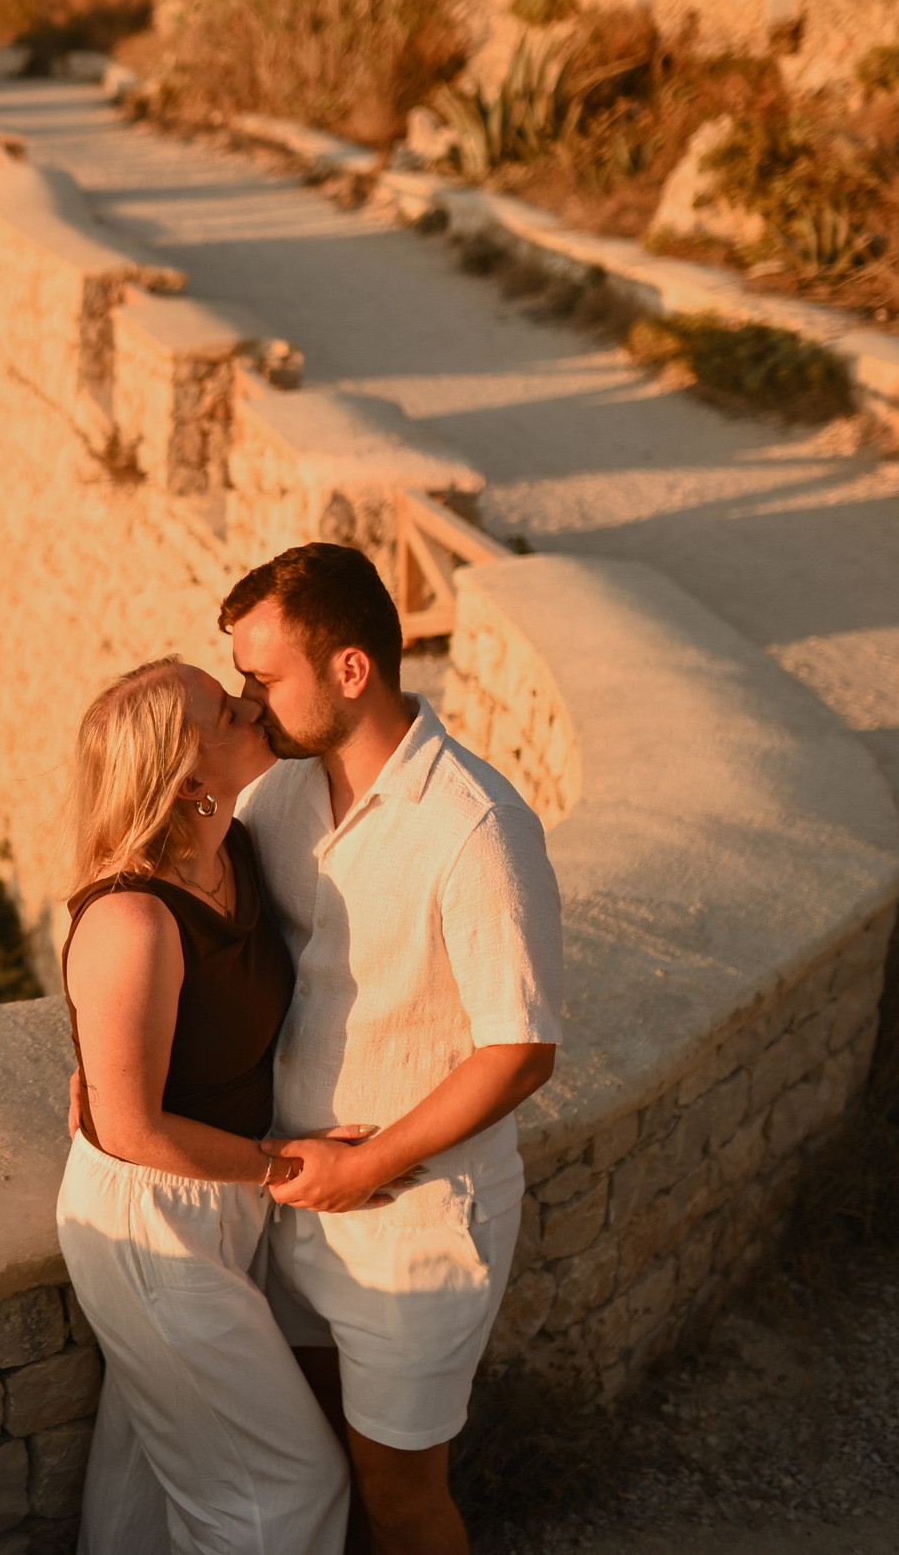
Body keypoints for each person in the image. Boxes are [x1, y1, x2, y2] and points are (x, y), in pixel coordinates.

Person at [223, 543, 564, 1555]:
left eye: (263, 678)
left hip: (412, 1220)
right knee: (320, 1460)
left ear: (351, 669)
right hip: (288, 1202)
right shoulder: (277, 794)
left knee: (401, 1496)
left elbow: (520, 1048)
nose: (247, 704)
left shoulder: (476, 826)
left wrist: (362, 1165)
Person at [54, 656, 381, 1555]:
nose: (252, 707)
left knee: (153, 1475)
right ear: (185, 773)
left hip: (214, 1201)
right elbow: (128, 1126)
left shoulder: (232, 848)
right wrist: (279, 1165)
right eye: (226, 710)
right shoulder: (134, 919)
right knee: (287, 1488)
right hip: (153, 1222)